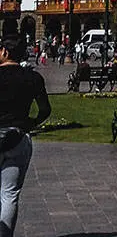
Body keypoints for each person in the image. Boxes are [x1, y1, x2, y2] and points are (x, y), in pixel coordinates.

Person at [1, 36, 51, 237]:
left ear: (5, 51)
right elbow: (45, 110)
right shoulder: (33, 78)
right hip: (17, 137)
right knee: (9, 193)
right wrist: (28, 124)